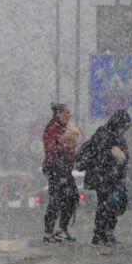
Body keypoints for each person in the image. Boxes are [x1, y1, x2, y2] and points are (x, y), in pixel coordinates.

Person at [80, 108, 132, 246]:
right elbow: (101, 155)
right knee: (107, 205)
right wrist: (116, 157)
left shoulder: (113, 134)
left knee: (112, 204)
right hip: (105, 179)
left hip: (112, 180)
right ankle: (101, 234)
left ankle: (105, 233)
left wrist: (121, 159)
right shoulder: (106, 134)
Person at [41, 102, 80, 243]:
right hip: (54, 167)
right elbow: (51, 148)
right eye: (66, 112)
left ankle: (61, 229)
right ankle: (48, 232)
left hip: (64, 167)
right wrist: (66, 145)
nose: (69, 115)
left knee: (72, 196)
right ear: (58, 113)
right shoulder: (52, 127)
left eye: (69, 113)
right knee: (55, 198)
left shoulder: (65, 128)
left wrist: (71, 147)